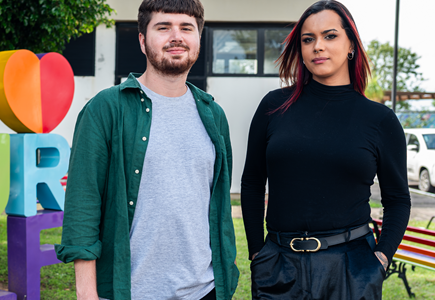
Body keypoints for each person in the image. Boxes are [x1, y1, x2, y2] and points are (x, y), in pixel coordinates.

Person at [55, 0, 239, 299]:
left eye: (186, 28)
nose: (176, 36)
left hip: (205, 290)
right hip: (132, 291)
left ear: (198, 39)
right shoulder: (107, 108)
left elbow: (218, 205)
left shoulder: (213, 114)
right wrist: (87, 294)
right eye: (163, 27)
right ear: (142, 40)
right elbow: (83, 204)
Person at [241, 1, 411, 299]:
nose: (317, 46)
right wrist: (258, 253)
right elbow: (253, 183)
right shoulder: (273, 107)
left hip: (352, 267)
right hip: (279, 265)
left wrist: (380, 260)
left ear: (351, 45)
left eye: (330, 36)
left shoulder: (379, 120)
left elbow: (398, 200)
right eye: (308, 39)